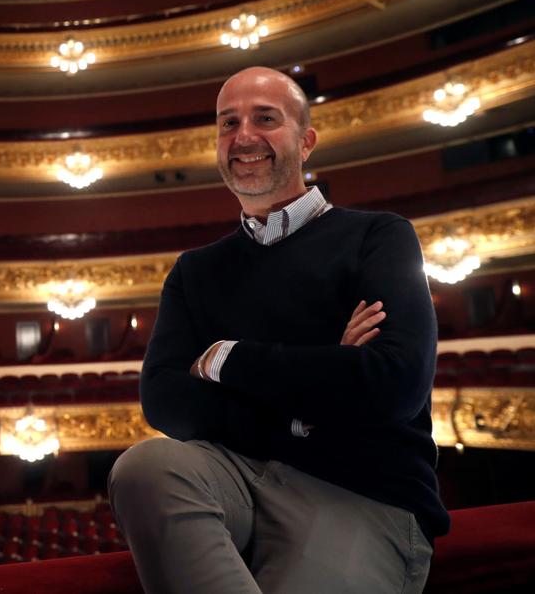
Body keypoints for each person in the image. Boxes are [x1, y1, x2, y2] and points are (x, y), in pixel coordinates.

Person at [108, 67, 448, 593]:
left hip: (361, 490)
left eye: (265, 119)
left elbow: (394, 383)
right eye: (228, 124)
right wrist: (319, 389)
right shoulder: (194, 271)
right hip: (234, 481)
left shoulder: (379, 237)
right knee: (144, 468)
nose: (243, 136)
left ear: (305, 141)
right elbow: (164, 400)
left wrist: (226, 359)